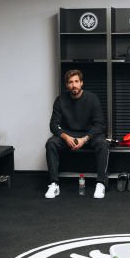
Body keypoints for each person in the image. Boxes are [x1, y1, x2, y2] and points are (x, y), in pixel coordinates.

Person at [45, 69, 108, 199]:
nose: (73, 85)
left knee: (102, 143)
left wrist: (84, 139)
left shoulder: (92, 98)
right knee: (51, 143)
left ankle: (101, 183)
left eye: (76, 81)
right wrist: (66, 137)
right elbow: (53, 124)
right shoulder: (60, 100)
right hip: (69, 136)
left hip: (88, 136)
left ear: (81, 83)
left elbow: (100, 125)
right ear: (67, 85)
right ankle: (54, 183)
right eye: (70, 82)